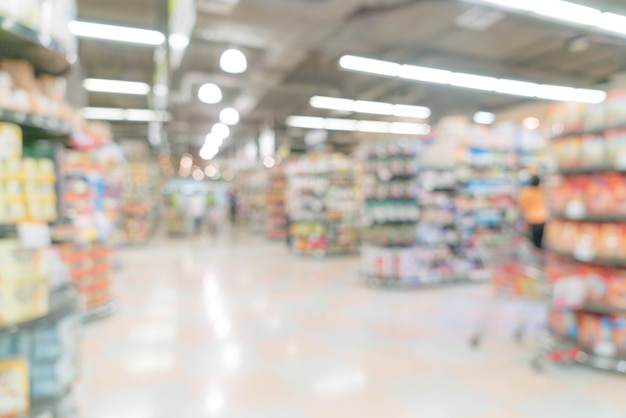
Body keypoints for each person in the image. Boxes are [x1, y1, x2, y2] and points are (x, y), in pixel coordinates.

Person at [518, 175, 548, 249]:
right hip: (543, 217)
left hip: (532, 218)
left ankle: (537, 254)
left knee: (534, 240)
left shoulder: (527, 191)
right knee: (540, 239)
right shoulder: (541, 190)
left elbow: (522, 205)